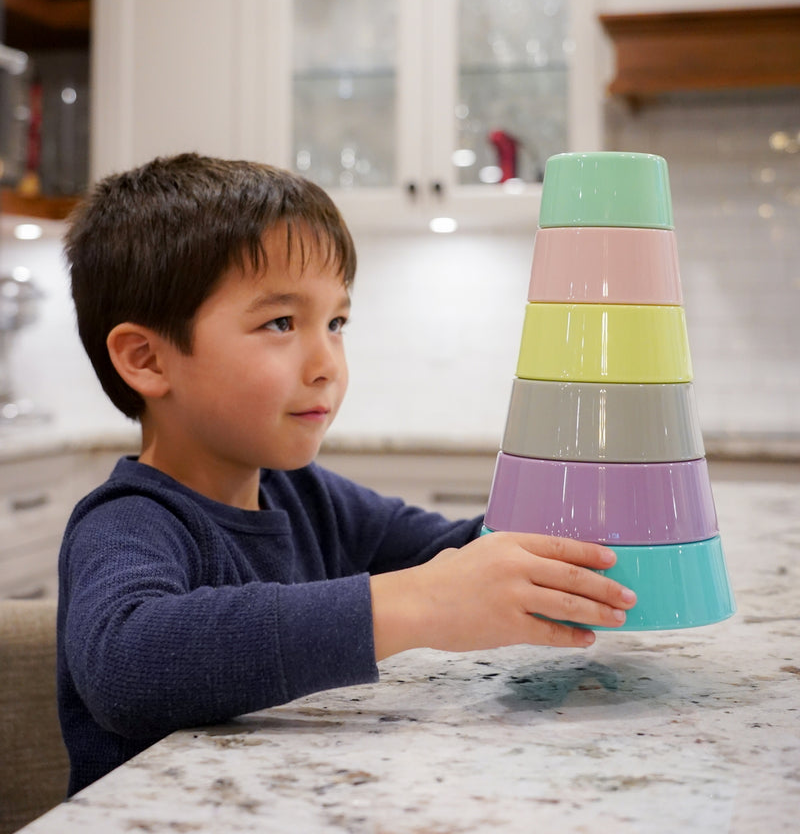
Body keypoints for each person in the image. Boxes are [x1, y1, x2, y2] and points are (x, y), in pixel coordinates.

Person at [57, 153, 636, 795]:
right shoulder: (127, 521)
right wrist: (417, 602)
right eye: (281, 323)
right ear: (146, 359)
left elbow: (459, 551)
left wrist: (573, 505)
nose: (328, 362)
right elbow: (127, 664)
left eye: (336, 323)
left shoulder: (306, 496)